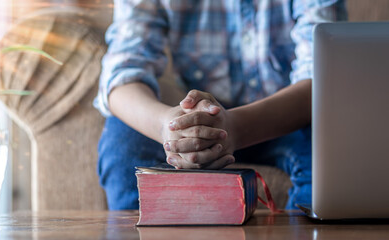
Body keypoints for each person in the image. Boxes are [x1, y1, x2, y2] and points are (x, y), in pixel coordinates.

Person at [94, 0, 347, 210]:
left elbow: (324, 78)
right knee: (122, 143)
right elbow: (122, 77)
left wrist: (235, 128)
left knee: (334, 150)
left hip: (286, 116)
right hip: (196, 116)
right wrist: (168, 125)